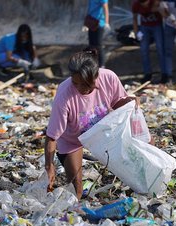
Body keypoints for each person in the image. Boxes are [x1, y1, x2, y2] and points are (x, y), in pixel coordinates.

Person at [44, 49, 137, 199]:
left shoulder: (108, 78)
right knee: (77, 190)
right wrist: (49, 167)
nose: (81, 89)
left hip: (103, 135)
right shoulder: (64, 95)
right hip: (73, 140)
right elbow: (52, 136)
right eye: (76, 83)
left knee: (133, 168)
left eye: (86, 84)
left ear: (96, 76)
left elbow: (118, 102)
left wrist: (130, 102)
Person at [132, 0, 166, 83]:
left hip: (157, 25)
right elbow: (135, 18)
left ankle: (164, 73)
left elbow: (164, 14)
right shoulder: (136, 4)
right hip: (144, 26)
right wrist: (136, 32)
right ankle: (147, 74)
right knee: (143, 50)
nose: (145, 5)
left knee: (160, 48)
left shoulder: (155, 2)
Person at [82, 0, 110, 67]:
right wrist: (86, 23)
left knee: (98, 45)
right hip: (91, 22)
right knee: (91, 45)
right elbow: (89, 10)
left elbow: (106, 9)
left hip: (99, 23)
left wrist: (106, 23)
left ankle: (102, 65)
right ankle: (92, 64)